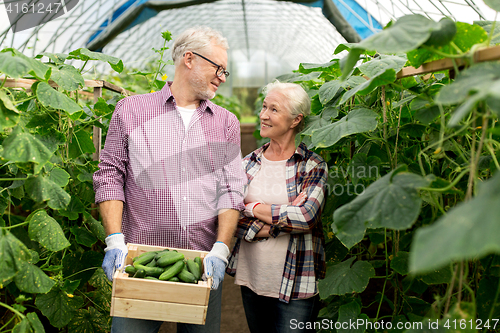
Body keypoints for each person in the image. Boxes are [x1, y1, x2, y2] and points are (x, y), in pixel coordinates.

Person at [93, 26, 246, 333]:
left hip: (201, 266)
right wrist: (114, 241)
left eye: (225, 71)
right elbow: (110, 174)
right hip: (140, 264)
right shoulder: (132, 110)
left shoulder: (226, 123)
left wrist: (221, 249)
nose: (222, 77)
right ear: (189, 59)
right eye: (218, 68)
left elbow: (231, 190)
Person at [226, 81, 328, 333]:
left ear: (295, 120)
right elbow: (229, 215)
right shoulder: (247, 164)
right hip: (252, 279)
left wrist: (252, 207)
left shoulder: (312, 166)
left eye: (273, 109)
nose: (263, 115)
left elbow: (305, 217)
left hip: (297, 284)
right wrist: (282, 219)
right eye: (263, 107)